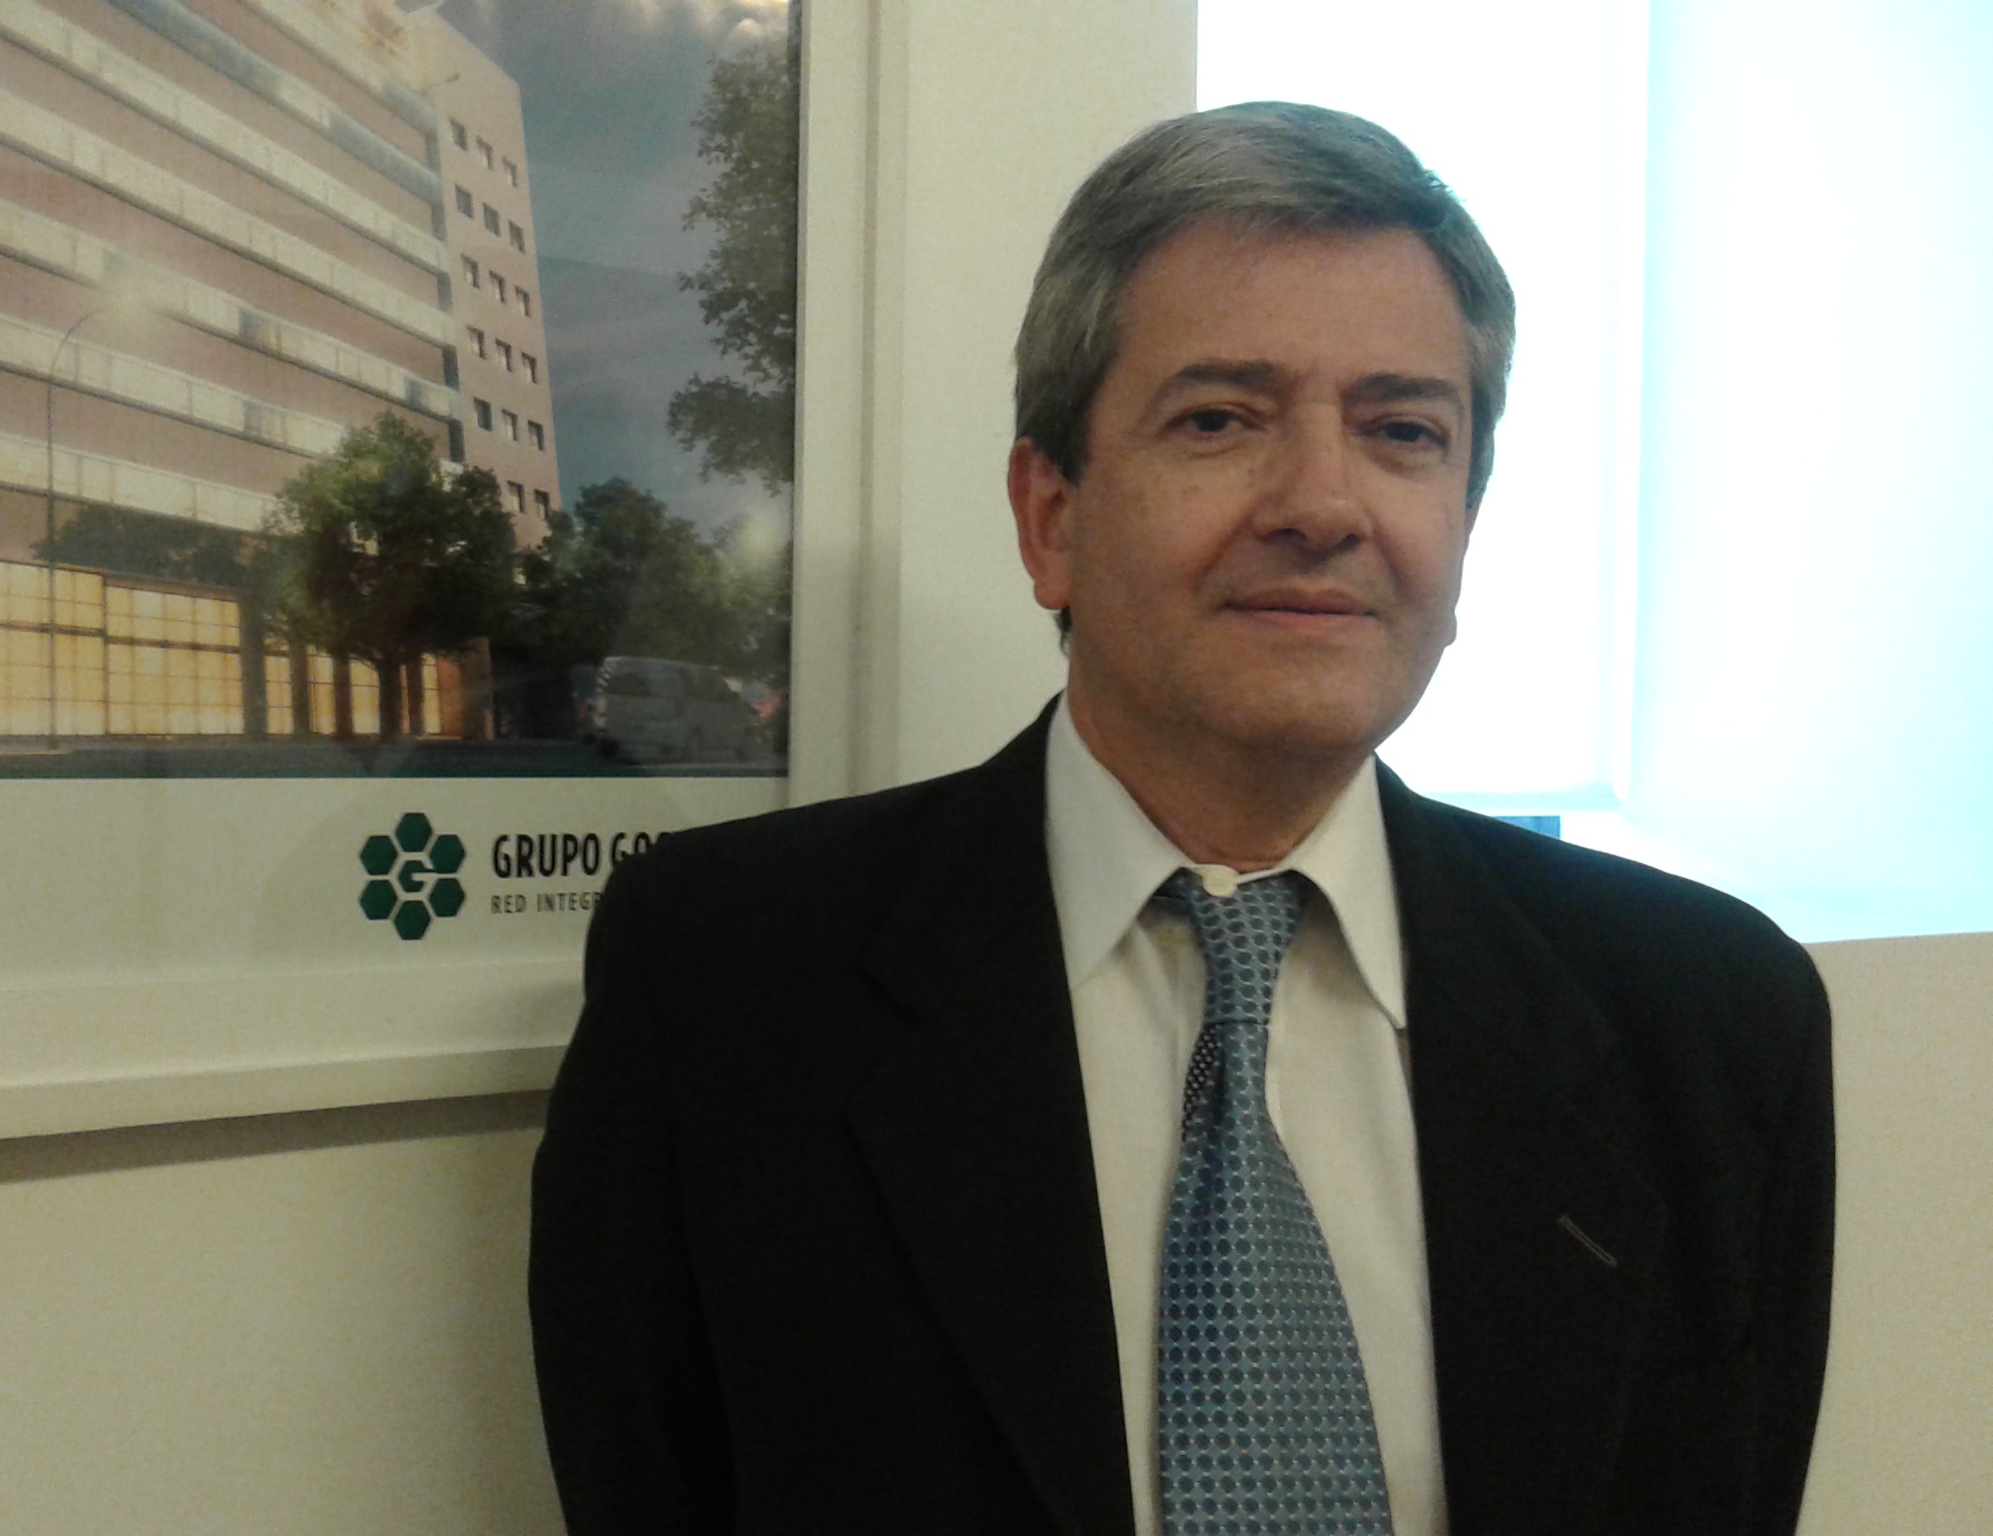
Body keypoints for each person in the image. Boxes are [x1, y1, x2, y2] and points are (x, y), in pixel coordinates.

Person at [528, 102, 1832, 1536]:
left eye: (1403, 431)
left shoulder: (1709, 1018)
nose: (1323, 505)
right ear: (1051, 516)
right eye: (1220, 420)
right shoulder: (723, 983)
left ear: (1465, 520)